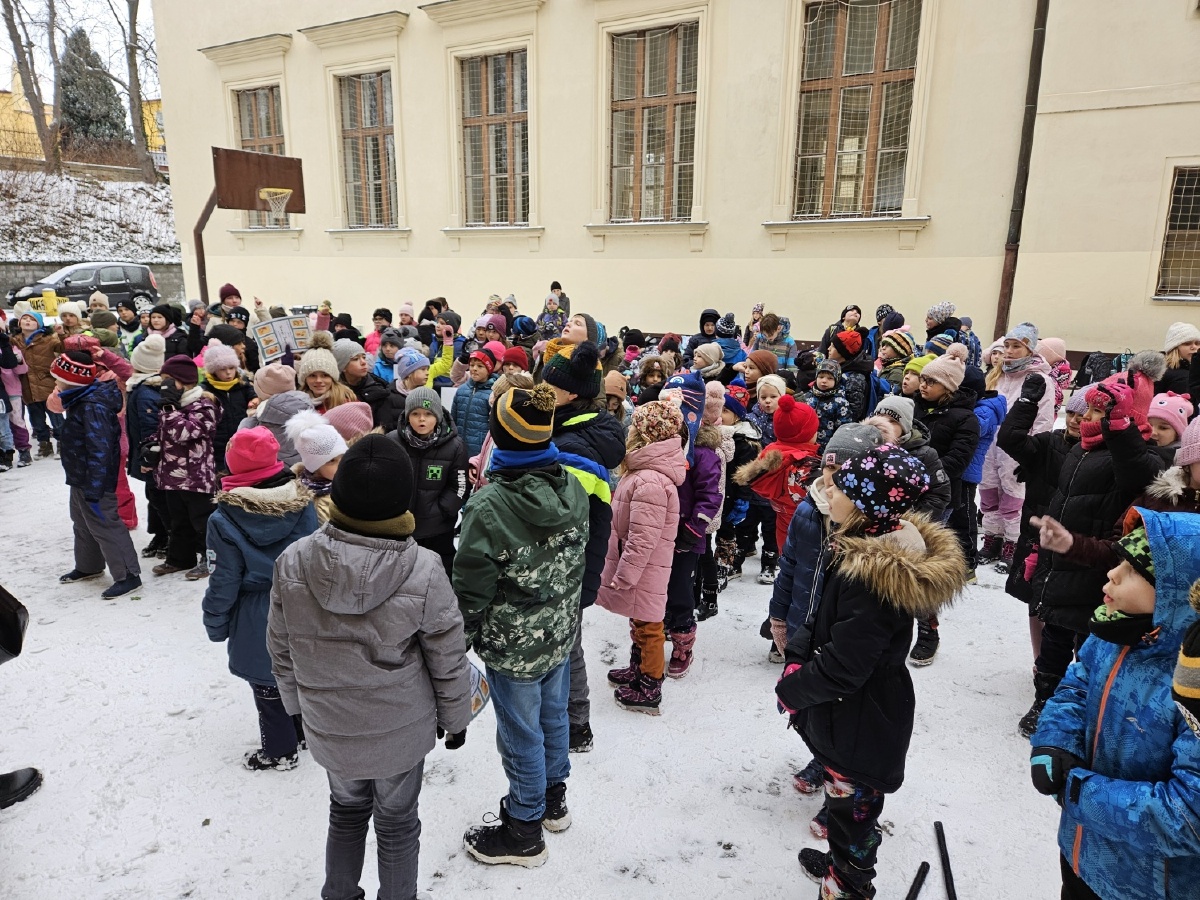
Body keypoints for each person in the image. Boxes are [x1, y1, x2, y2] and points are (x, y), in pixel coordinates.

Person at [269, 435, 472, 900]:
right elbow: (447, 654)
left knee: (345, 810)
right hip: (398, 728)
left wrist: (295, 708)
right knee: (398, 823)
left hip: (330, 723)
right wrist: (456, 719)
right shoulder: (423, 568)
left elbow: (280, 648)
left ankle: (338, 894)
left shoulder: (295, 561)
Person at [778, 444, 966, 900]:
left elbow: (846, 666)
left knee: (855, 811)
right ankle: (845, 862)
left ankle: (850, 883)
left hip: (860, 716)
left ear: (868, 505)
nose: (828, 487)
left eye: (840, 485)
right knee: (846, 802)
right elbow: (826, 616)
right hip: (851, 710)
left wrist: (794, 690)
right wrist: (800, 651)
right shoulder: (861, 546)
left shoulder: (870, 576)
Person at [1030, 511, 1200, 900]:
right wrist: (1056, 741)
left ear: (1180, 591)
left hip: (1150, 885)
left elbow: (1190, 815)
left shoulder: (1193, 684)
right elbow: (1077, 684)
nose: (1113, 575)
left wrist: (1078, 793)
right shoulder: (1117, 630)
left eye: (1134, 570)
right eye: (1119, 561)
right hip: (1080, 854)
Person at [455, 384, 588, 867]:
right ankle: (553, 800)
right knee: (552, 718)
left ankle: (524, 829)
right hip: (558, 632)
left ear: (498, 438)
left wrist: (457, 641)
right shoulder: (570, 485)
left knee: (520, 733)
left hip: (513, 648)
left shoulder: (489, 507)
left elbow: (471, 586)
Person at [1020, 363, 1168, 738]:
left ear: (1124, 419)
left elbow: (1136, 470)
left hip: (1099, 569)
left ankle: (1088, 709)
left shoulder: (1141, 456)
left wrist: (1121, 434)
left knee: (1091, 645)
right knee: (1054, 637)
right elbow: (1061, 501)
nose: (1087, 417)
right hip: (1063, 560)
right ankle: (1045, 698)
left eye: (1098, 411)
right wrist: (1043, 553)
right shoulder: (1080, 451)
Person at [203, 427, 317, 771]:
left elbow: (224, 578)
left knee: (267, 684)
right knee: (298, 673)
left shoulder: (223, 518)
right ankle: (303, 733)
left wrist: (215, 620)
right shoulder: (302, 502)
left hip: (257, 612)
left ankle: (280, 752)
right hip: (303, 603)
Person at [543, 341, 626, 752]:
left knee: (566, 642)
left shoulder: (573, 445)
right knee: (566, 639)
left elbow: (557, 514)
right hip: (573, 556)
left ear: (571, 394)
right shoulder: (577, 428)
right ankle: (574, 718)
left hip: (568, 559)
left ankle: (576, 723)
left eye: (551, 386)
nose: (544, 390)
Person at [598, 401, 687, 715]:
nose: (629, 430)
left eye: (635, 426)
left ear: (647, 435)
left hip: (644, 569)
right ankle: (639, 670)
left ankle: (650, 684)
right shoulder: (643, 471)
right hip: (642, 568)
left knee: (650, 627)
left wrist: (626, 573)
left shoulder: (650, 479)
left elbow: (642, 537)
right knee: (640, 622)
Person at [998, 387, 1084, 700]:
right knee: (1036, 601)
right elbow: (1010, 440)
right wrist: (1026, 403)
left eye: (1083, 414)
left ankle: (1076, 674)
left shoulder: (1102, 452)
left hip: (1076, 543)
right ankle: (1041, 664)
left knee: (1071, 612)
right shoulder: (1051, 442)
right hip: (1037, 537)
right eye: (1072, 413)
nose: (1075, 420)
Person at [52, 351, 142, 599]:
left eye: (57, 379)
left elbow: (100, 449)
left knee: (106, 525)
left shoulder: (93, 407)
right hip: (81, 476)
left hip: (96, 480)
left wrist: (95, 485)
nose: (55, 385)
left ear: (71, 380)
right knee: (82, 522)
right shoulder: (79, 399)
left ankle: (129, 575)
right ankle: (89, 565)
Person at [979, 323, 1057, 573]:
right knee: (989, 494)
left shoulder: (1039, 380)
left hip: (1016, 449)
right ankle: (992, 538)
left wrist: (1032, 453)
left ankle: (1011, 545)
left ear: (1029, 350)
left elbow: (1044, 420)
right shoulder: (996, 375)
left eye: (1016, 347)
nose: (1010, 352)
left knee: (1012, 498)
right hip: (990, 446)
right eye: (1007, 346)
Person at [151, 355, 222, 581]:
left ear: (185, 382)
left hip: (196, 476)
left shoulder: (205, 405)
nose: (165, 387)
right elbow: (164, 433)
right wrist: (150, 445)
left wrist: (170, 409)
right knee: (178, 520)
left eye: (169, 381)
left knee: (202, 520)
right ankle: (181, 557)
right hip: (172, 474)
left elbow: (184, 432)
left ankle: (209, 558)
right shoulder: (172, 405)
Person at [392, 387, 468, 577]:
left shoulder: (455, 446)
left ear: (438, 415)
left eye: (428, 413)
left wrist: (443, 510)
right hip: (400, 525)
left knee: (438, 572)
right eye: (415, 413)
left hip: (437, 528)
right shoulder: (392, 441)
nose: (422, 419)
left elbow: (459, 484)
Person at [734, 393, 821, 555]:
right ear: (804, 433)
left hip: (784, 533)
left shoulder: (774, 459)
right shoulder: (804, 468)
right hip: (808, 537)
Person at [126, 334, 171, 558]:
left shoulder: (145, 392)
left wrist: (147, 459)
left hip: (152, 457)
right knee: (153, 495)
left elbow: (149, 428)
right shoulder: (142, 387)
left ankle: (170, 536)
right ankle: (160, 534)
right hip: (148, 455)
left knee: (159, 497)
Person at [236, 365, 309, 468]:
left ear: (260, 391)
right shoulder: (307, 407)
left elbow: (239, 455)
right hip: (304, 471)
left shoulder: (252, 423)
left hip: (271, 475)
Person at [285, 409, 348, 525]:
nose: (341, 464)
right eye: (331, 461)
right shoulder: (321, 503)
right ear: (316, 467)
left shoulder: (350, 482)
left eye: (343, 457)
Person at [202, 341, 255, 473]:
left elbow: (252, 393)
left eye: (231, 368)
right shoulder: (206, 390)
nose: (228, 373)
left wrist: (254, 399)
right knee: (222, 473)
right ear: (214, 370)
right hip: (218, 442)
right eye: (222, 369)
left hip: (241, 438)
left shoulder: (242, 384)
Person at [18, 311, 63, 459]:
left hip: (47, 384)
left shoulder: (48, 340)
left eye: (32, 319)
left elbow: (64, 349)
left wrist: (61, 335)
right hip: (28, 387)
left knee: (56, 416)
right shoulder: (15, 341)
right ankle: (44, 444)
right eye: (24, 319)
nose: (27, 321)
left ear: (39, 324)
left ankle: (62, 443)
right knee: (36, 420)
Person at [451, 343, 500, 457]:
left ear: (489, 369)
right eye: (472, 365)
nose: (474, 369)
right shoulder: (461, 390)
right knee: (460, 475)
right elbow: (452, 419)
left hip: (480, 451)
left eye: (480, 366)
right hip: (458, 448)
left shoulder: (493, 394)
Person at [334, 338, 390, 427]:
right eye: (356, 359)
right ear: (342, 366)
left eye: (364, 357)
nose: (363, 362)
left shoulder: (379, 389)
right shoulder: (333, 393)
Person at [298, 332, 355, 414]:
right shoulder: (298, 403)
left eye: (325, 375)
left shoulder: (346, 403)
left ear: (333, 377)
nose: (318, 380)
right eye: (312, 375)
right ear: (304, 379)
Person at [803, 359, 853, 452]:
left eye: (830, 378)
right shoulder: (807, 397)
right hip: (807, 445)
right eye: (821, 377)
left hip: (829, 447)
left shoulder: (840, 402)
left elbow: (843, 429)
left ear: (837, 380)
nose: (824, 381)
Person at [378, 347, 431, 433]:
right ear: (409, 373)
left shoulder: (427, 395)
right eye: (423, 369)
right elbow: (385, 425)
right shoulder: (389, 396)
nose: (427, 372)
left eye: (427, 369)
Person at [825, 329, 875, 421]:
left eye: (833, 347)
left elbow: (854, 413)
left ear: (842, 352)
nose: (828, 349)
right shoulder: (839, 369)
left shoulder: (854, 378)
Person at [0, 330, 31, 469]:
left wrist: (18, 360)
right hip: (1, 393)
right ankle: (5, 453)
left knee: (16, 421)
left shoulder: (10, 347)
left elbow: (22, 370)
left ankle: (24, 450)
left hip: (12, 391)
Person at [1155, 321, 1200, 397]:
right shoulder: (1180, 376)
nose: (1194, 347)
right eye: (1187, 343)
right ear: (1174, 348)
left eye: (1197, 343)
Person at [1147, 392, 1193, 457]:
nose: (1153, 432)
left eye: (1163, 428)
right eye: (1149, 425)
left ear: (1177, 433)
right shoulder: (1134, 448)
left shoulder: (1184, 459)